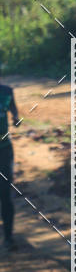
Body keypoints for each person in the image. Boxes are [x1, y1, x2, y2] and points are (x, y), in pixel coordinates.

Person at [0, 79, 19, 251]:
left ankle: (8, 238)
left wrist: (16, 118)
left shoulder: (6, 91)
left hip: (4, 150)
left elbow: (14, 110)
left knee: (5, 193)